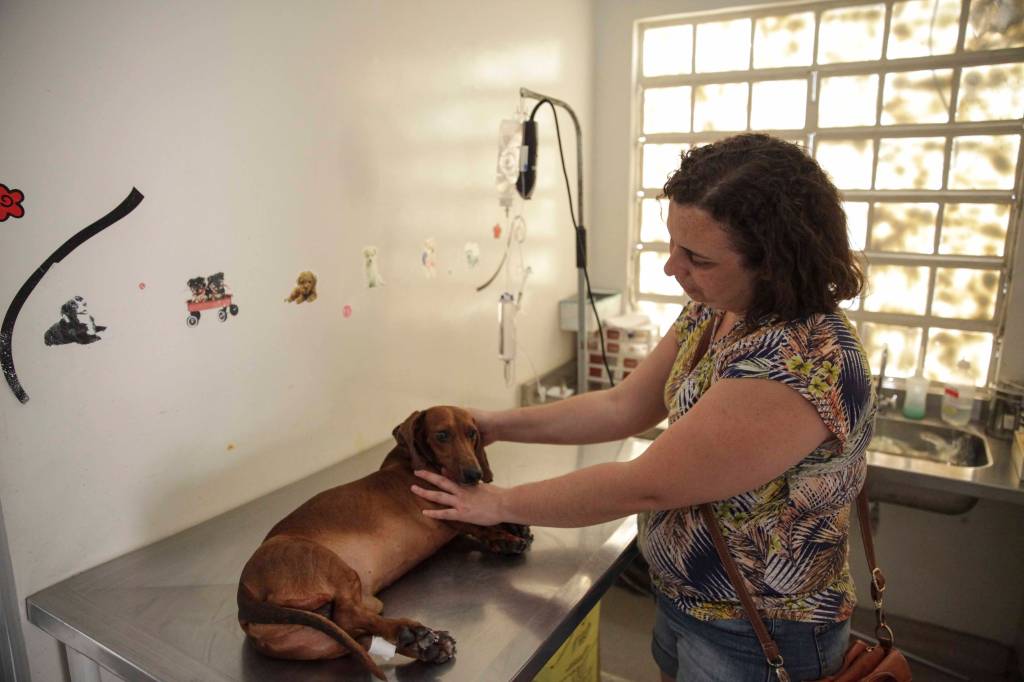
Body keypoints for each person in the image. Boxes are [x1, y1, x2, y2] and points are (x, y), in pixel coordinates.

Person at [411, 133, 873, 681]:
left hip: (758, 630)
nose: (672, 268)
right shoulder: (717, 308)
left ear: (773, 264)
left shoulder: (801, 362)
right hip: (685, 600)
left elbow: (645, 484)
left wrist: (499, 503)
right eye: (673, 245)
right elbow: (622, 406)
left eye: (697, 257)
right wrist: (492, 425)